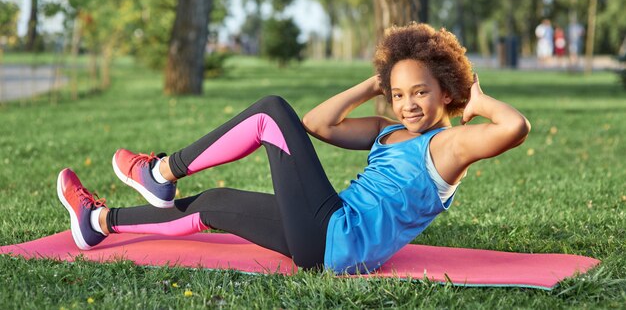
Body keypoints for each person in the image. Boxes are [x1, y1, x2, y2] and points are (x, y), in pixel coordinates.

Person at [57, 23, 531, 274]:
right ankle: (98, 223)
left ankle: (160, 172)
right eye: (399, 93)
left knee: (269, 113)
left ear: (447, 90)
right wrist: (375, 82)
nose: (407, 104)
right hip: (324, 244)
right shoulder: (387, 131)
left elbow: (515, 127)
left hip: (335, 235)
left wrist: (481, 100)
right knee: (214, 205)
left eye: (421, 92)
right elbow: (316, 124)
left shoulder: (448, 146)